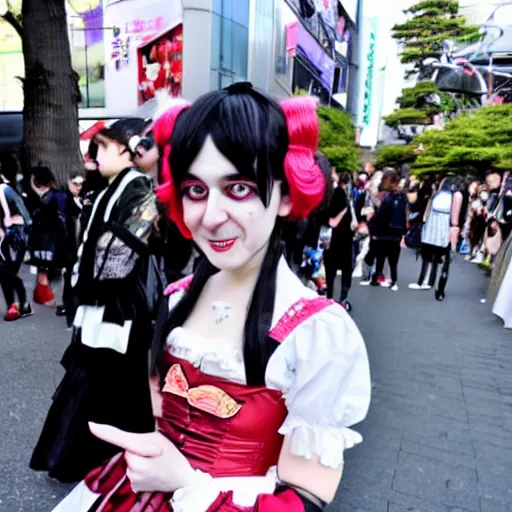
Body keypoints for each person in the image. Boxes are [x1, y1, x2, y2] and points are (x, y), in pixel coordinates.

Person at [52, 83, 371, 511]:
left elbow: (307, 496)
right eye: (195, 191)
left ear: (286, 193)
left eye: (238, 188)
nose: (211, 216)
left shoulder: (318, 334)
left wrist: (186, 482)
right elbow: (160, 414)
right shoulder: (177, 296)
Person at [30, 119, 158, 483]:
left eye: (102, 146)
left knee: (111, 383)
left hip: (119, 305)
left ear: (126, 148)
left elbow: (121, 252)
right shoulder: (114, 187)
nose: (94, 155)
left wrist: (84, 288)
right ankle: (96, 458)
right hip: (104, 300)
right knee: (102, 382)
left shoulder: (140, 188)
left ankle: (102, 458)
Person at [409, 177, 463, 301]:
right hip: (444, 231)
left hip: (432, 230)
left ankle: (426, 281)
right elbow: (455, 218)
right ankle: (436, 287)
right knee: (441, 260)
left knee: (429, 257)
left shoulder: (438, 195)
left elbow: (427, 214)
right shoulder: (455, 196)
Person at [29, 166, 68, 307]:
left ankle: (47, 297)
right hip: (52, 240)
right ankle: (46, 295)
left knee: (44, 271)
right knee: (46, 271)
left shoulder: (45, 199)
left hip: (48, 241)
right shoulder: (57, 196)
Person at [0, 174, 33, 321]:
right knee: (6, 272)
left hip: (14, 236)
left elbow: (24, 215)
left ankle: (19, 305)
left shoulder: (4, 190)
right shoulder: (7, 189)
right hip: (14, 235)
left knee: (8, 272)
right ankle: (18, 305)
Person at [56, 172, 86, 327]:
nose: (78, 187)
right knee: (69, 276)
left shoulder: (82, 200)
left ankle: (72, 306)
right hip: (69, 246)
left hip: (79, 243)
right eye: (75, 184)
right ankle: (69, 308)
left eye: (81, 184)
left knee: (75, 276)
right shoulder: (65, 201)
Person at [369, 169, 407, 291]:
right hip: (397, 233)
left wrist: (373, 228)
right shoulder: (402, 197)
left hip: (384, 233)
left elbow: (381, 216)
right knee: (393, 259)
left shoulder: (387, 198)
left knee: (380, 257)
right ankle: (393, 280)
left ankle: (378, 278)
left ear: (388, 181)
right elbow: (405, 214)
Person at [324, 170, 355, 308]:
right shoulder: (347, 198)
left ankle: (329, 296)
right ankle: (343, 299)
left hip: (331, 239)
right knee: (346, 269)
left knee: (330, 270)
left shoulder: (329, 197)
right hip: (345, 239)